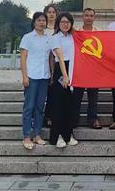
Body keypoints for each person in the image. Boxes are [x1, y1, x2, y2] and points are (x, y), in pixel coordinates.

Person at [20, 11, 68, 150]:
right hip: (32, 76)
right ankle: (26, 136)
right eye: (39, 20)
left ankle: (37, 134)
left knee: (40, 107)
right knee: (29, 106)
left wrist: (52, 73)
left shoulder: (49, 38)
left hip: (44, 77)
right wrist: (24, 76)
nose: (42, 22)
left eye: (43, 20)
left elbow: (50, 58)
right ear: (34, 22)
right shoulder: (28, 37)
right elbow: (23, 58)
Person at [49, 12, 77, 148]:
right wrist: (65, 76)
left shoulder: (73, 37)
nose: (65, 25)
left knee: (70, 105)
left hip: (73, 69)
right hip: (61, 70)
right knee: (58, 104)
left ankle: (68, 134)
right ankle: (57, 135)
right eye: (63, 22)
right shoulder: (55, 38)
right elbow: (59, 57)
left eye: (68, 22)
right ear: (58, 24)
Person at [72, 8, 102, 129]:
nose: (89, 17)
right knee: (76, 97)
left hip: (93, 70)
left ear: (94, 18)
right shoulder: (76, 33)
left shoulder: (100, 32)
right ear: (82, 17)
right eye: (86, 15)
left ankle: (93, 119)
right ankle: (74, 120)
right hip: (79, 69)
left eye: (91, 15)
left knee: (93, 97)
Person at [43, 3, 58, 126]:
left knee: (54, 93)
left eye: (53, 12)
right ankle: (44, 116)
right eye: (49, 12)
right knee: (45, 93)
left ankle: (51, 116)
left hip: (58, 64)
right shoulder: (42, 30)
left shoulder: (59, 29)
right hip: (44, 64)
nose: (52, 14)